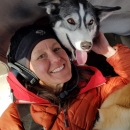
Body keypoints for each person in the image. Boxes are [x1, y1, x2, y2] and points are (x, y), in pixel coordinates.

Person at [0, 24, 130, 130]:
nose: (56, 59)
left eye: (56, 49)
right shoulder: (17, 116)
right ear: (25, 71)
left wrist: (107, 51)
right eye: (41, 56)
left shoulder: (97, 87)